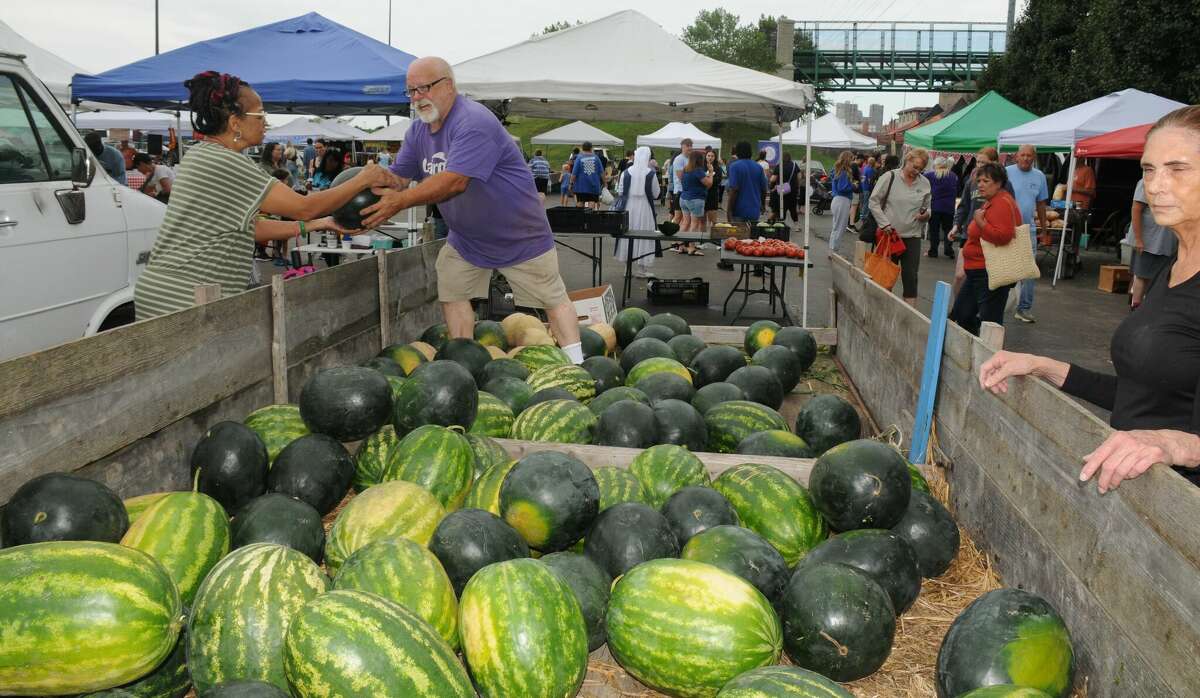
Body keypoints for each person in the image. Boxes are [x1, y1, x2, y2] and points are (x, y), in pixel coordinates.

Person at [979, 106, 1200, 492]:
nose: (1157, 185)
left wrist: (1173, 445)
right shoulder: (1174, 267)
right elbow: (1140, 397)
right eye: (1149, 169)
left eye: (1177, 168)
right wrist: (1040, 365)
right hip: (1143, 495)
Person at [359, 56, 583, 363]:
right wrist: (371, 183)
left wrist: (399, 201)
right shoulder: (417, 133)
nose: (416, 98)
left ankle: (578, 363)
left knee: (552, 298)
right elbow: (400, 178)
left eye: (423, 88)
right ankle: (462, 362)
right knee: (451, 288)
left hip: (519, 235)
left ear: (448, 85)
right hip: (467, 239)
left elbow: (454, 182)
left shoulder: (473, 121)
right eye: (410, 91)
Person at [133, 71, 383, 320]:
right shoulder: (224, 161)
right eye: (261, 114)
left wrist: (321, 223)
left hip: (172, 291)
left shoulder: (202, 154)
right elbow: (304, 207)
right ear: (235, 123)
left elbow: (249, 229)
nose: (266, 122)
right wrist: (362, 178)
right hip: (185, 297)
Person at [948, 162, 1020, 335]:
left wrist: (980, 222)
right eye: (979, 180)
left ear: (998, 183)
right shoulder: (992, 201)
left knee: (990, 322)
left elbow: (1003, 236)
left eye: (985, 181)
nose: (980, 184)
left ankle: (990, 357)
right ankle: (976, 351)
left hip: (989, 271)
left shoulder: (1001, 202)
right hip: (978, 271)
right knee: (962, 314)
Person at [868, 148, 932, 306]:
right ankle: (882, 310)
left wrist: (926, 215)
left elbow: (927, 207)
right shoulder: (889, 177)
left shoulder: (925, 183)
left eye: (920, 169)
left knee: (911, 278)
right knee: (885, 276)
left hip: (912, 236)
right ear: (907, 160)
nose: (916, 171)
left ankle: (909, 317)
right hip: (890, 235)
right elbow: (873, 201)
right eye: (914, 167)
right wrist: (885, 224)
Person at [950, 147, 1012, 295]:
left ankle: (969, 312)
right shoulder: (971, 181)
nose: (979, 166)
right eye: (977, 162)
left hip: (991, 237)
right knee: (960, 275)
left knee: (982, 278)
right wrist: (956, 225)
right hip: (969, 234)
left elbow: (1010, 208)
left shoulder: (1004, 185)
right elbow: (964, 206)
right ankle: (957, 309)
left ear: (994, 163)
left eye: (983, 162)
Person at [1007, 144, 1050, 323]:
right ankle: (996, 304)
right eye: (1022, 155)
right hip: (1006, 229)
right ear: (1016, 156)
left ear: (1034, 157)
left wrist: (1044, 229)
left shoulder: (1039, 176)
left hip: (1028, 230)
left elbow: (1041, 204)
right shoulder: (1006, 172)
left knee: (1029, 271)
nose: (1025, 158)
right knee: (1003, 268)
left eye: (1029, 155)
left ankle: (1024, 308)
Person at [1128, 177, 1178, 309]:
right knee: (1142, 274)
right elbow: (1136, 209)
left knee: (1160, 277)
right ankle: (1136, 306)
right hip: (1149, 239)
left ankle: (1148, 308)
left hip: (1167, 239)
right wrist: (1138, 239)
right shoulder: (1146, 181)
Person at [613, 146, 660, 278]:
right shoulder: (651, 174)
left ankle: (627, 268)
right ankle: (642, 269)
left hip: (628, 207)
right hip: (645, 208)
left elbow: (621, 192)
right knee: (644, 235)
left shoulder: (625, 173)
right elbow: (656, 194)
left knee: (628, 235)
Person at [725, 140, 768, 226]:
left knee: (738, 238)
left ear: (737, 152)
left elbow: (734, 190)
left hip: (739, 210)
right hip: (754, 211)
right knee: (751, 238)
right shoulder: (758, 167)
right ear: (750, 152)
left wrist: (729, 210)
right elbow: (764, 189)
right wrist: (762, 205)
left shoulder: (735, 166)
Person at [677, 150, 711, 252]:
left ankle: (680, 246)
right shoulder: (698, 171)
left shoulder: (685, 169)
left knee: (685, 223)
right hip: (695, 199)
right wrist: (711, 173)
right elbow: (709, 184)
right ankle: (691, 247)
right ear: (699, 159)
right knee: (694, 224)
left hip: (683, 198)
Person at [925, 157, 959, 258]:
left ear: (936, 165)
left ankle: (933, 251)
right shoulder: (953, 176)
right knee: (948, 229)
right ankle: (949, 251)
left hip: (935, 206)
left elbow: (920, 179)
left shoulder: (931, 175)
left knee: (934, 230)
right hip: (949, 207)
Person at [827, 150, 856, 254]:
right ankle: (834, 251)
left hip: (837, 200)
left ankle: (832, 249)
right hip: (842, 200)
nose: (853, 161)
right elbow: (842, 188)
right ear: (848, 159)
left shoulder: (837, 169)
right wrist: (853, 186)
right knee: (840, 227)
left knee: (836, 226)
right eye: (852, 159)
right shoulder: (844, 171)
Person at [768, 151, 801, 229]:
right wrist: (797, 186)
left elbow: (773, 179)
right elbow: (799, 177)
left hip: (782, 191)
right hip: (792, 190)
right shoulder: (794, 165)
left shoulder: (779, 166)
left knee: (780, 207)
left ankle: (778, 224)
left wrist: (773, 185)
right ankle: (796, 226)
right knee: (793, 208)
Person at [571, 141, 604, 210]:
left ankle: (580, 218)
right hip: (593, 186)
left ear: (582, 148)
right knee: (592, 202)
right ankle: (590, 218)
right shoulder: (596, 158)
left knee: (580, 201)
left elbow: (574, 173)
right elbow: (601, 172)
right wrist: (605, 182)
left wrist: (571, 183)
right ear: (591, 148)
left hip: (581, 186)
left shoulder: (579, 158)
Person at [670, 140, 693, 227]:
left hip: (688, 191)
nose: (690, 148)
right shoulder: (679, 159)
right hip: (680, 192)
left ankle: (683, 238)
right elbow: (681, 177)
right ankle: (671, 235)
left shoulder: (690, 158)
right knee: (678, 217)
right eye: (687, 145)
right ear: (682, 147)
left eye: (691, 145)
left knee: (686, 218)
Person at [704, 150, 724, 230]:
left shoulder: (718, 168)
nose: (710, 158)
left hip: (713, 195)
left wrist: (709, 178)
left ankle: (714, 238)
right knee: (702, 220)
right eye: (708, 155)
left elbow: (718, 180)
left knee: (713, 220)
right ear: (705, 156)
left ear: (715, 158)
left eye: (712, 156)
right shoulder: (702, 167)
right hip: (702, 195)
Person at [859, 156, 876, 223]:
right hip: (867, 188)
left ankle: (862, 215)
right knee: (867, 203)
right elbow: (869, 180)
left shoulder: (865, 168)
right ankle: (864, 216)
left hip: (863, 187)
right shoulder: (870, 170)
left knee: (863, 202)